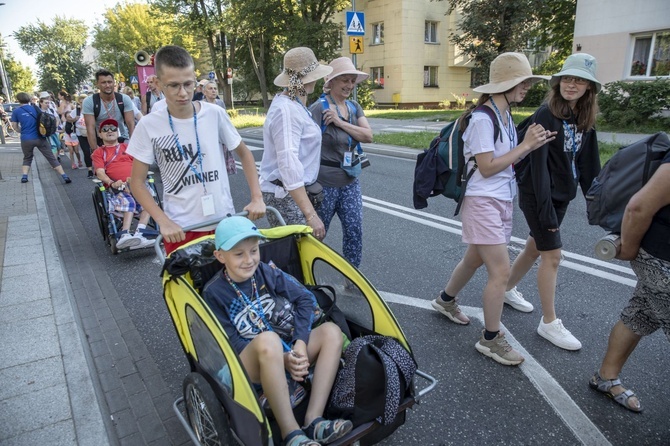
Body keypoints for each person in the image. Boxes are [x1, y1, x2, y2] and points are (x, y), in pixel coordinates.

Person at [430, 53, 553, 366]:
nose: (526, 87)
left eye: (528, 81)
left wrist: (529, 145)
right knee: (501, 272)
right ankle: (490, 340)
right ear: (504, 85)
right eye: (521, 82)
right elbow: (486, 167)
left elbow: (506, 159)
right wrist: (525, 145)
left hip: (499, 200)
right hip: (483, 201)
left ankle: (445, 301)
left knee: (473, 259)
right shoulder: (484, 119)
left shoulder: (505, 114)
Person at [203, 216, 353, 446]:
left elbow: (305, 298)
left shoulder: (265, 272)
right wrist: (282, 358)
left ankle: (314, 421)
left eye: (253, 251)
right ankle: (290, 433)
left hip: (284, 351)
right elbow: (229, 343)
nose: (249, 260)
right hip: (246, 366)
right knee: (268, 339)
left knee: (331, 332)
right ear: (220, 256)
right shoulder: (214, 292)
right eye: (238, 254)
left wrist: (300, 343)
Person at [504, 53, 602, 351]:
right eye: (567, 79)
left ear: (589, 87)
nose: (572, 85)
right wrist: (546, 212)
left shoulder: (583, 118)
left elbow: (589, 165)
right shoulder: (548, 114)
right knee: (553, 255)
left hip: (560, 195)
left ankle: (505, 289)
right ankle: (549, 322)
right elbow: (537, 167)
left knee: (535, 247)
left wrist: (598, 203)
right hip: (538, 194)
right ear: (558, 82)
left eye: (579, 80)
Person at [127, 45, 265, 255]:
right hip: (181, 228)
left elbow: (244, 154)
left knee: (233, 284)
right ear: (159, 83)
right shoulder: (149, 125)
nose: (182, 93)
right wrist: (162, 221)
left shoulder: (214, 114)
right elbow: (136, 182)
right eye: (173, 85)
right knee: (186, 287)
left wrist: (257, 197)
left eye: (188, 84)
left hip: (223, 222)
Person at [590, 151, 670, 413]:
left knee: (641, 313)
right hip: (662, 258)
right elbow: (639, 206)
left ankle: (606, 377)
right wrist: (630, 248)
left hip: (660, 258)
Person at [258, 47, 332, 240]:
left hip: (291, 193)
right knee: (295, 256)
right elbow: (288, 163)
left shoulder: (294, 104)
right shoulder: (287, 110)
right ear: (309, 78)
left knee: (297, 255)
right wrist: (310, 214)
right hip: (285, 195)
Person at [308, 57, 372, 268]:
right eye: (344, 80)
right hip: (324, 185)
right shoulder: (318, 108)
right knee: (317, 233)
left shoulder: (354, 107)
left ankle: (353, 276)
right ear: (331, 82)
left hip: (350, 180)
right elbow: (305, 147)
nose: (349, 85)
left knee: (355, 230)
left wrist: (339, 122)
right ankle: (306, 271)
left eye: (352, 81)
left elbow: (368, 136)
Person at [91, 119, 155, 250]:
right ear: (100, 134)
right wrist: (112, 183)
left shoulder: (128, 147)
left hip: (136, 183)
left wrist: (136, 178)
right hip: (116, 187)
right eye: (105, 129)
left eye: (113, 128)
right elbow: (100, 172)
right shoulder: (99, 152)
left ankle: (139, 234)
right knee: (128, 201)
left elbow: (141, 164)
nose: (110, 131)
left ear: (118, 131)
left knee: (149, 202)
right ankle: (125, 235)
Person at [10, 92, 71, 184]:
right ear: (29, 99)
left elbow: (14, 126)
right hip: (39, 138)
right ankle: (64, 176)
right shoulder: (36, 109)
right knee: (51, 158)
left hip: (26, 139)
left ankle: (24, 176)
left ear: (19, 100)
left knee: (27, 157)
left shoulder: (16, 111)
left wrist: (22, 131)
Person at [83, 69, 135, 151]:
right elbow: (90, 128)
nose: (107, 85)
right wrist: (95, 150)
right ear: (97, 84)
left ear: (114, 83)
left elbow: (131, 124)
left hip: (122, 139)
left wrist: (133, 145)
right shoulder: (90, 101)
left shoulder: (124, 99)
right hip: (102, 142)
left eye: (110, 82)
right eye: (103, 82)